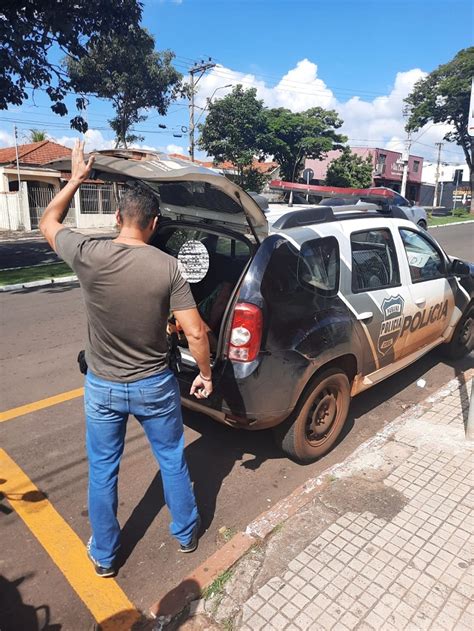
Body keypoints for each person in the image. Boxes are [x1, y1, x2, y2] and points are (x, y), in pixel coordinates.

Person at [40, 140, 212, 577]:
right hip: (155, 384)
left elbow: (48, 220)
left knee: (102, 471)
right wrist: (206, 374)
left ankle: (104, 556)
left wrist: (76, 179)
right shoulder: (168, 267)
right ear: (153, 224)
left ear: (117, 218)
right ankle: (187, 534)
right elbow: (194, 331)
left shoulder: (88, 254)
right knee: (171, 458)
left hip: (102, 386)